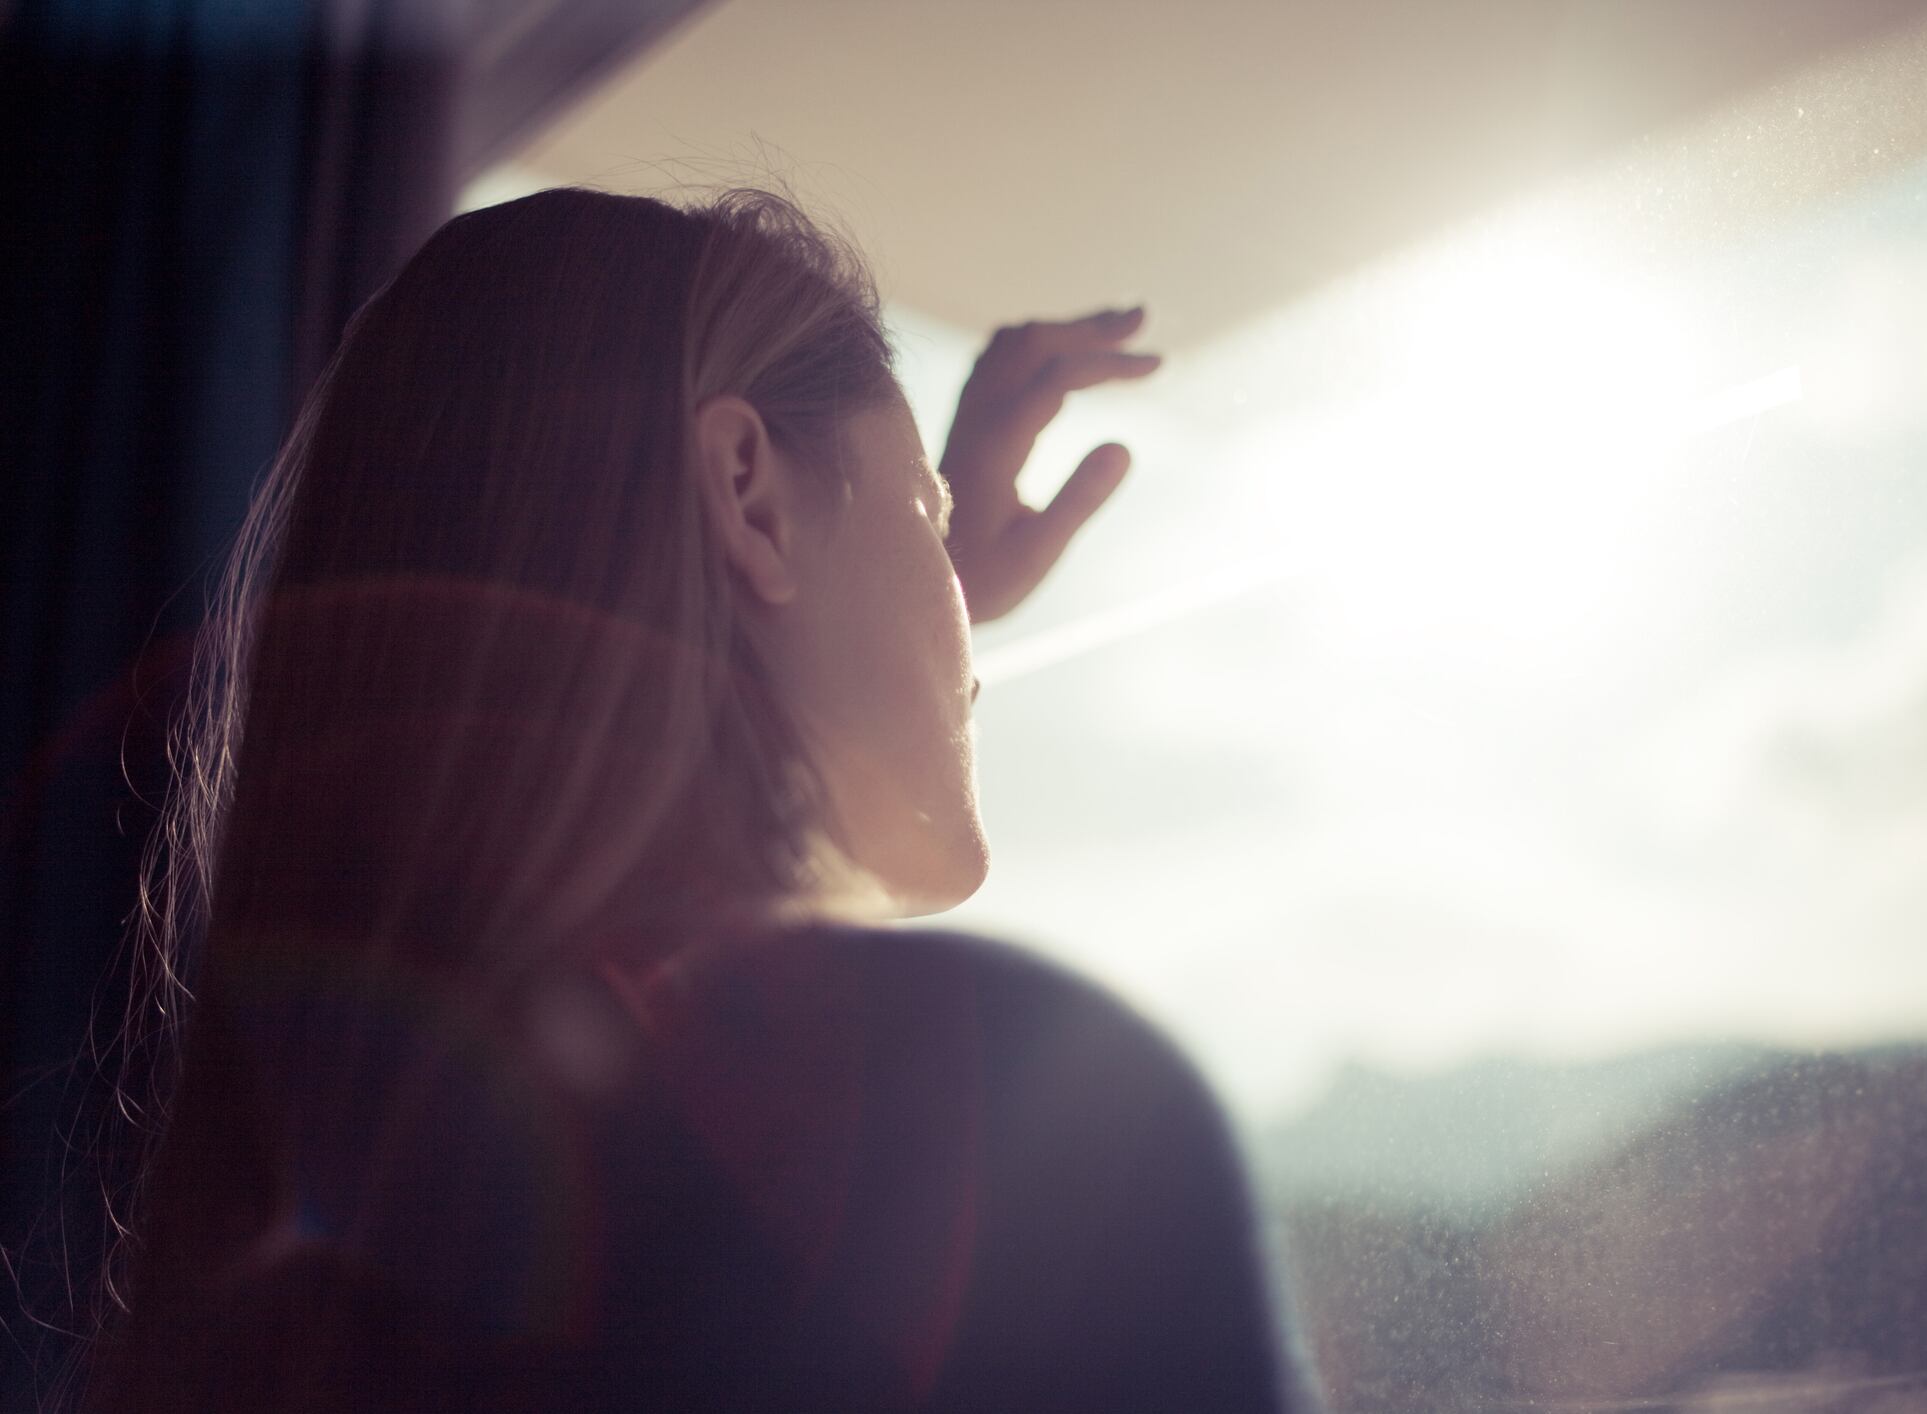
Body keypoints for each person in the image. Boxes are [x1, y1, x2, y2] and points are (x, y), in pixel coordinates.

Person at [79, 186, 1314, 1410]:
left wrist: (874, 586)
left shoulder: (293, 1198)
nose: (962, 601)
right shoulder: (1030, 1115)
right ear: (745, 488)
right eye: (931, 520)